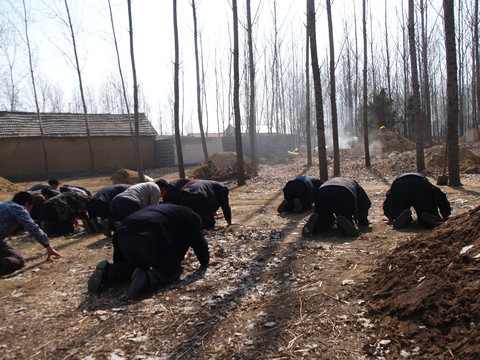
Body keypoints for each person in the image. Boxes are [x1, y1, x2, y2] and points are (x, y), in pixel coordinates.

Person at [87, 203, 222, 300]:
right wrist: (205, 260)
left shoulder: (170, 211)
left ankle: (108, 272)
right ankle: (146, 279)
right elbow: (198, 240)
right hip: (148, 236)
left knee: (136, 264)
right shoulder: (192, 216)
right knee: (172, 270)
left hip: (122, 234)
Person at [0, 191, 62, 276]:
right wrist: (48, 246)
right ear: (27, 204)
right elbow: (33, 228)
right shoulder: (18, 209)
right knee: (18, 261)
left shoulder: (3, 205)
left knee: (16, 259)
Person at [302, 177, 371, 238]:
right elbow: (365, 203)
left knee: (323, 217)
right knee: (344, 216)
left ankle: (315, 227)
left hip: (323, 191)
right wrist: (363, 221)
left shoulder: (331, 180)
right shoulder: (354, 183)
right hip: (344, 192)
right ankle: (343, 225)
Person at [383, 172, 451, 229]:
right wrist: (445, 214)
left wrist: (389, 216)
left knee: (400, 211)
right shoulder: (425, 181)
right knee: (426, 211)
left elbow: (389, 198)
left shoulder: (397, 182)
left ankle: (403, 219)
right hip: (421, 185)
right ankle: (426, 219)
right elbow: (440, 195)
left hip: (400, 186)